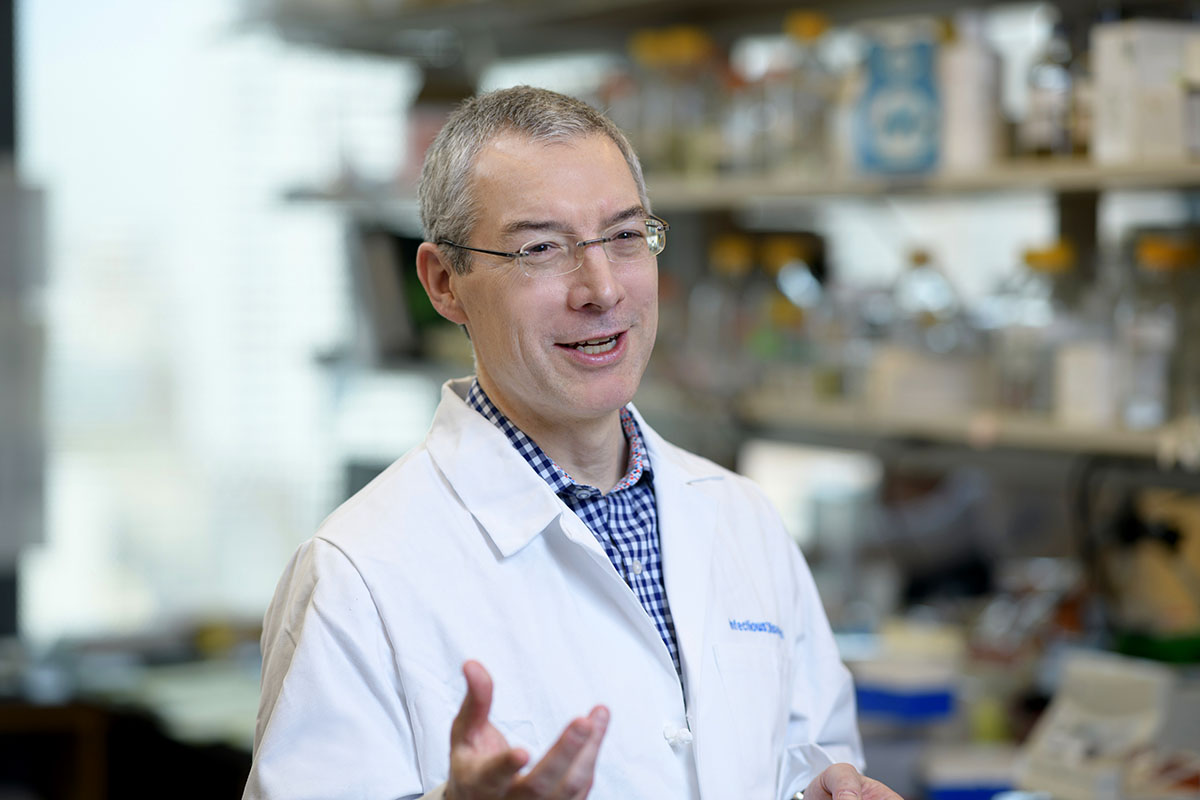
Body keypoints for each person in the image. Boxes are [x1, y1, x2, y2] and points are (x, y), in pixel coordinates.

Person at [243, 85, 900, 800]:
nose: (601, 289)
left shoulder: (744, 520)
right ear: (444, 282)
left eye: (624, 237)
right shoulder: (356, 575)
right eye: (541, 249)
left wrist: (825, 790)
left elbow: (810, 753)